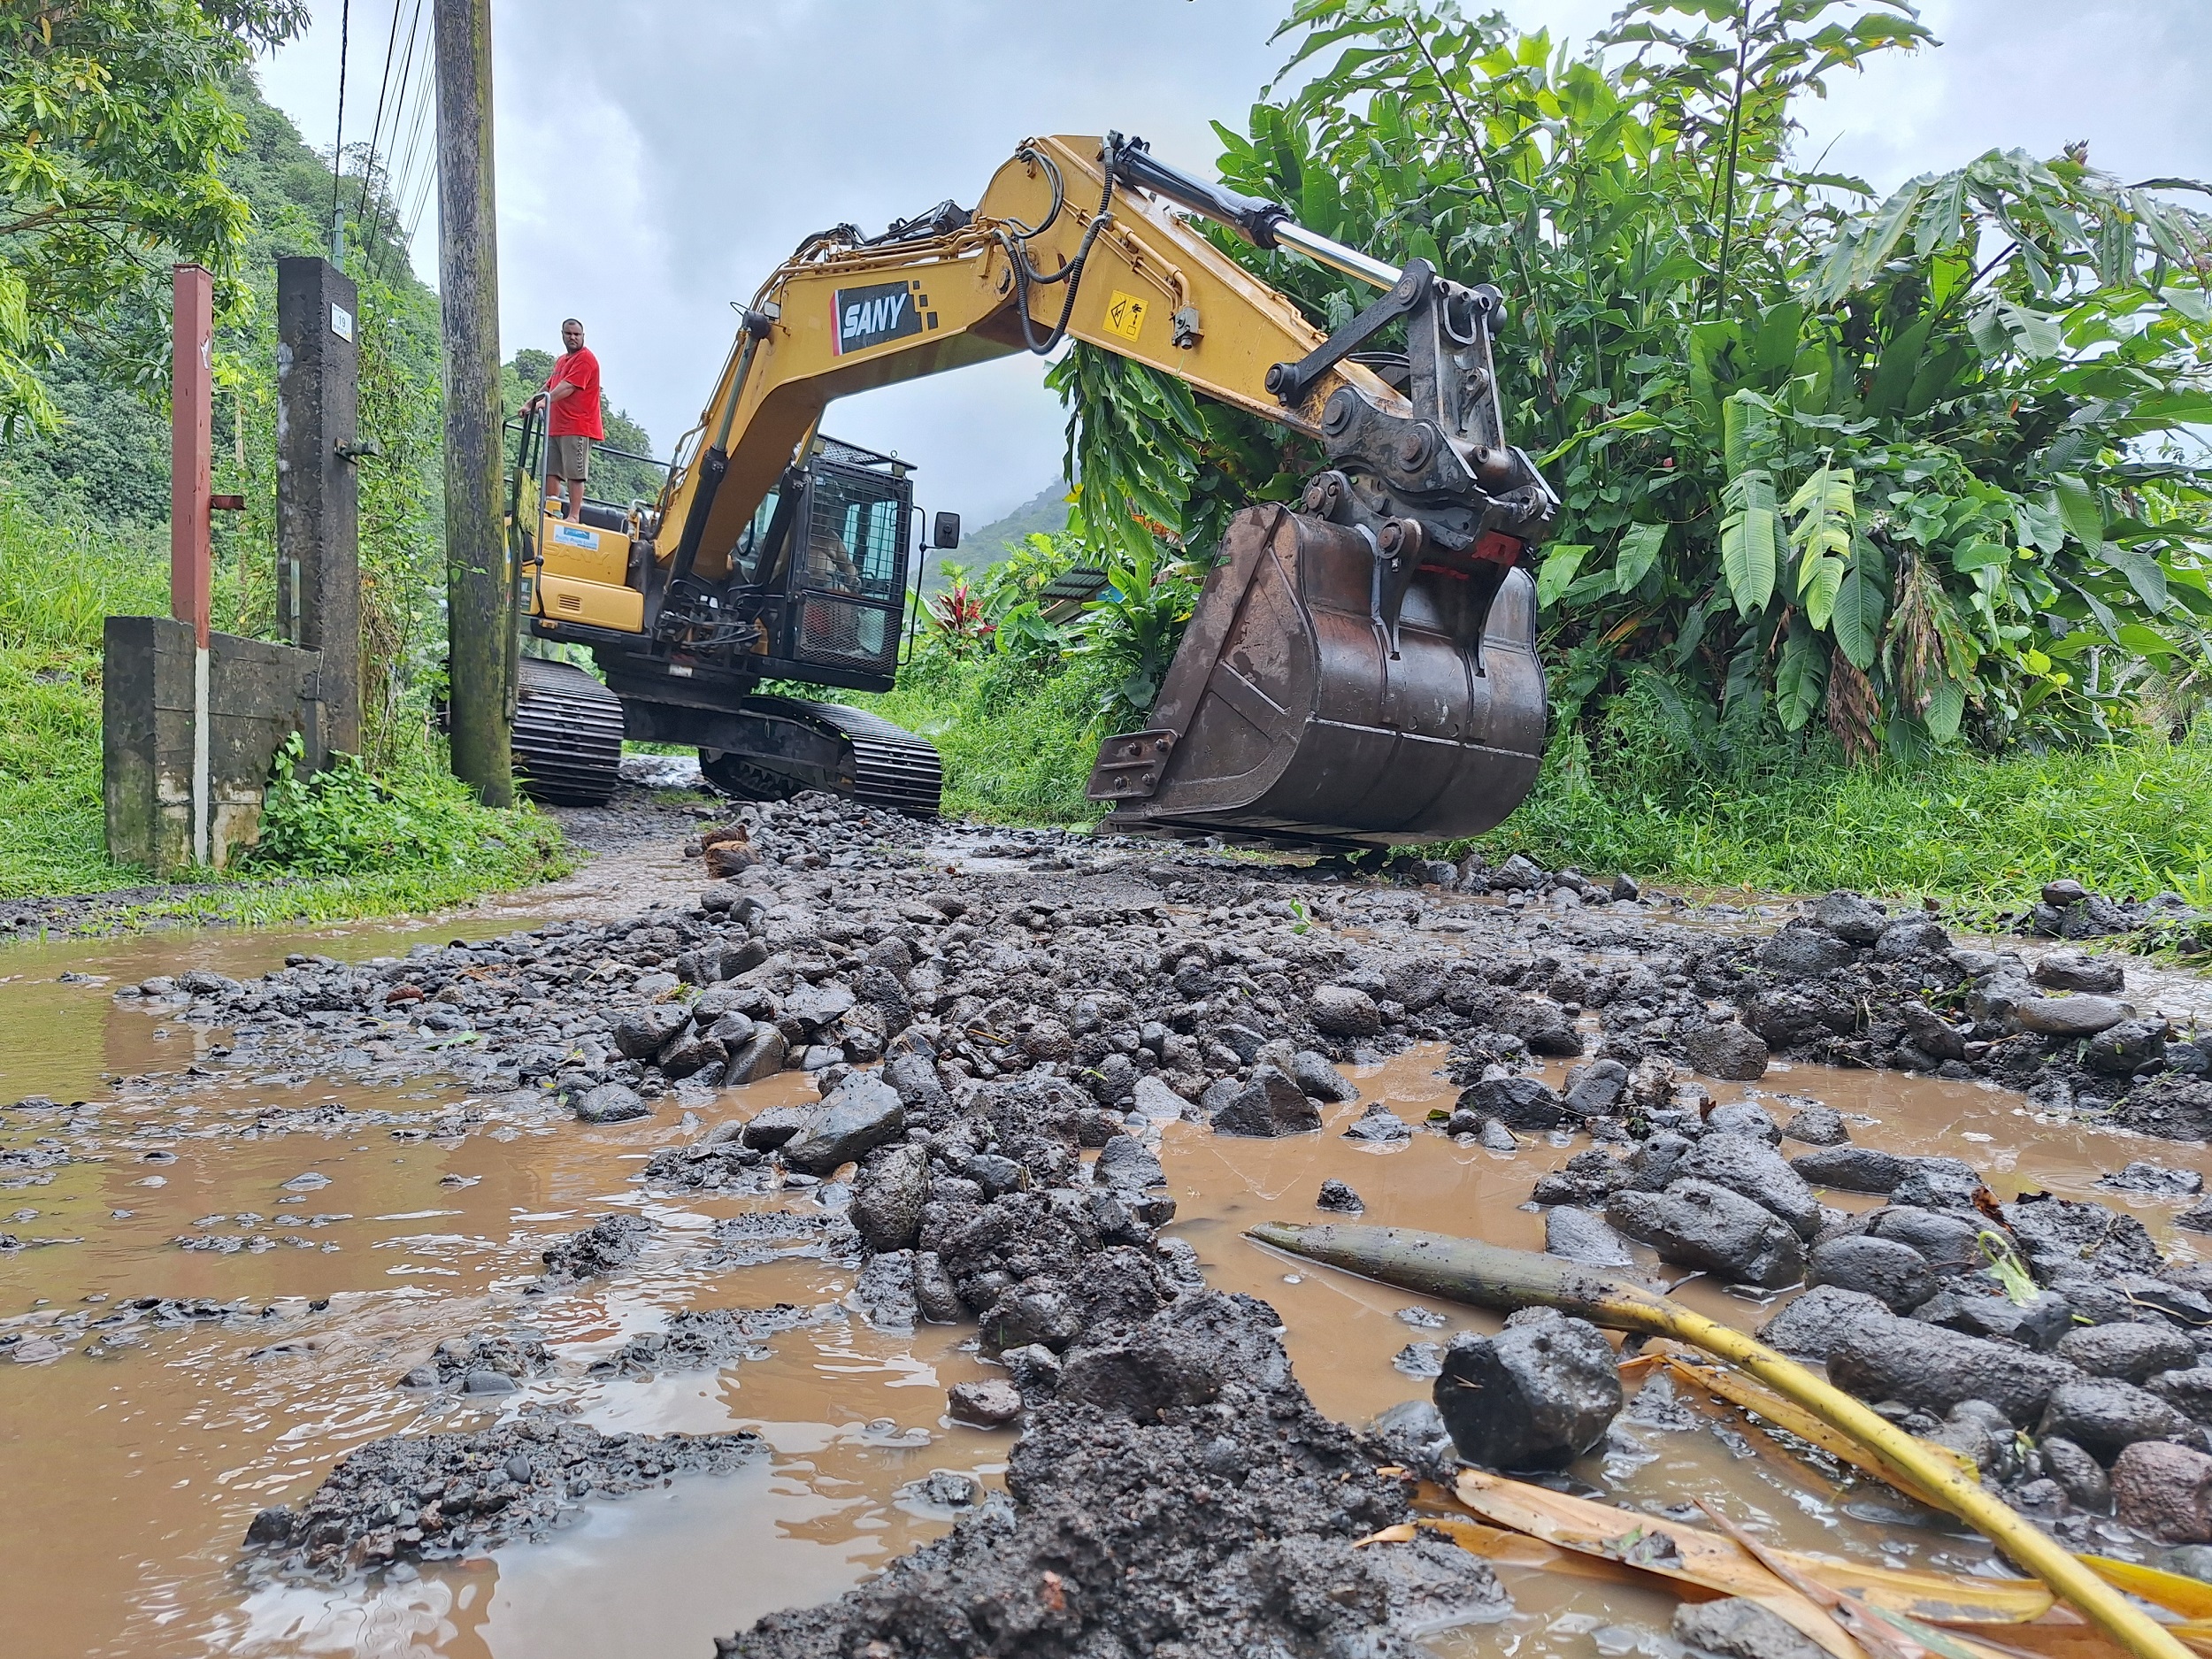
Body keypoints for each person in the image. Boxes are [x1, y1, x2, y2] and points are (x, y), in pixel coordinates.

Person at [526, 318, 603, 521]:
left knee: (575, 472)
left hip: (578, 426)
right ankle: (550, 510)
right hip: (556, 425)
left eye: (577, 334)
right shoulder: (562, 360)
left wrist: (546, 402)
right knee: (550, 469)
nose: (573, 338)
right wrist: (530, 403)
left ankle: (574, 515)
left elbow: (568, 386)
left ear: (583, 336)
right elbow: (550, 385)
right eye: (569, 334)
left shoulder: (586, 359)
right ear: (562, 335)